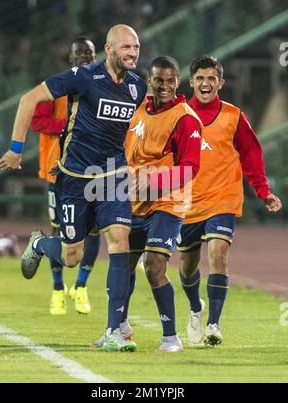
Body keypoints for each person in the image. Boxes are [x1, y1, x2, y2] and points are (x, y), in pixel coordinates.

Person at [0, 24, 147, 352]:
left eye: (136, 47)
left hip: (112, 176)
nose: (133, 53)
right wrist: (16, 148)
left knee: (120, 241)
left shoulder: (138, 85)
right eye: (126, 48)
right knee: (71, 255)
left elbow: (132, 130)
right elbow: (29, 99)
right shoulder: (84, 77)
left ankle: (114, 330)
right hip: (75, 179)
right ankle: (38, 245)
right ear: (109, 49)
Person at [93, 56, 202, 352]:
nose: (163, 86)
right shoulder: (138, 110)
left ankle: (171, 339)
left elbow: (190, 167)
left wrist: (154, 183)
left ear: (177, 81)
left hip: (167, 203)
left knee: (153, 267)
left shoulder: (186, 118)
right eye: (158, 80)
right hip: (133, 201)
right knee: (121, 265)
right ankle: (117, 328)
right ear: (150, 81)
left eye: (169, 80)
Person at [177, 55, 282, 347]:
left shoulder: (234, 115)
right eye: (200, 78)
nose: (206, 83)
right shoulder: (180, 115)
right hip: (187, 203)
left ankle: (213, 324)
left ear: (221, 83)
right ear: (191, 82)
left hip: (223, 199)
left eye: (212, 78)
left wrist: (262, 191)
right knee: (187, 265)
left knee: (218, 254)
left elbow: (251, 154)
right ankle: (196, 308)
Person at [30, 36, 101, 316]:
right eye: (79, 52)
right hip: (56, 169)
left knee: (95, 230)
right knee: (60, 229)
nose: (84, 56)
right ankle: (58, 290)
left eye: (89, 52)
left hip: (95, 170)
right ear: (70, 59)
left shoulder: (101, 86)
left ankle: (81, 286)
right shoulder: (57, 86)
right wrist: (71, 124)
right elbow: (37, 120)